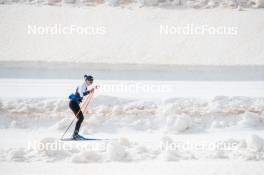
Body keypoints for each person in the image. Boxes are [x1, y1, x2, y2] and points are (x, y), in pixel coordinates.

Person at [69, 74, 95, 140]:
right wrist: (89, 91)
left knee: (80, 118)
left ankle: (75, 134)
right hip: (73, 103)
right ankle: (75, 135)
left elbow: (85, 76)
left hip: (74, 103)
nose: (91, 83)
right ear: (86, 81)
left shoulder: (84, 83)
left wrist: (85, 76)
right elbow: (82, 94)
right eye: (90, 81)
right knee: (81, 118)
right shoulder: (82, 86)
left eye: (92, 81)